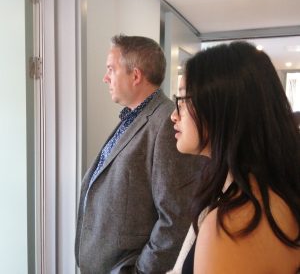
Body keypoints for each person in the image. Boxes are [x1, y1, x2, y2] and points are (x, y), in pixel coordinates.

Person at [75, 34, 205, 274]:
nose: (105, 78)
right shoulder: (132, 117)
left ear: (135, 76)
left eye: (111, 70)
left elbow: (175, 218)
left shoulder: (166, 123)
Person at [169, 41, 300, 273]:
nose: (173, 115)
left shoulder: (234, 226)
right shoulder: (272, 192)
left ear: (220, 108)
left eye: (183, 100)